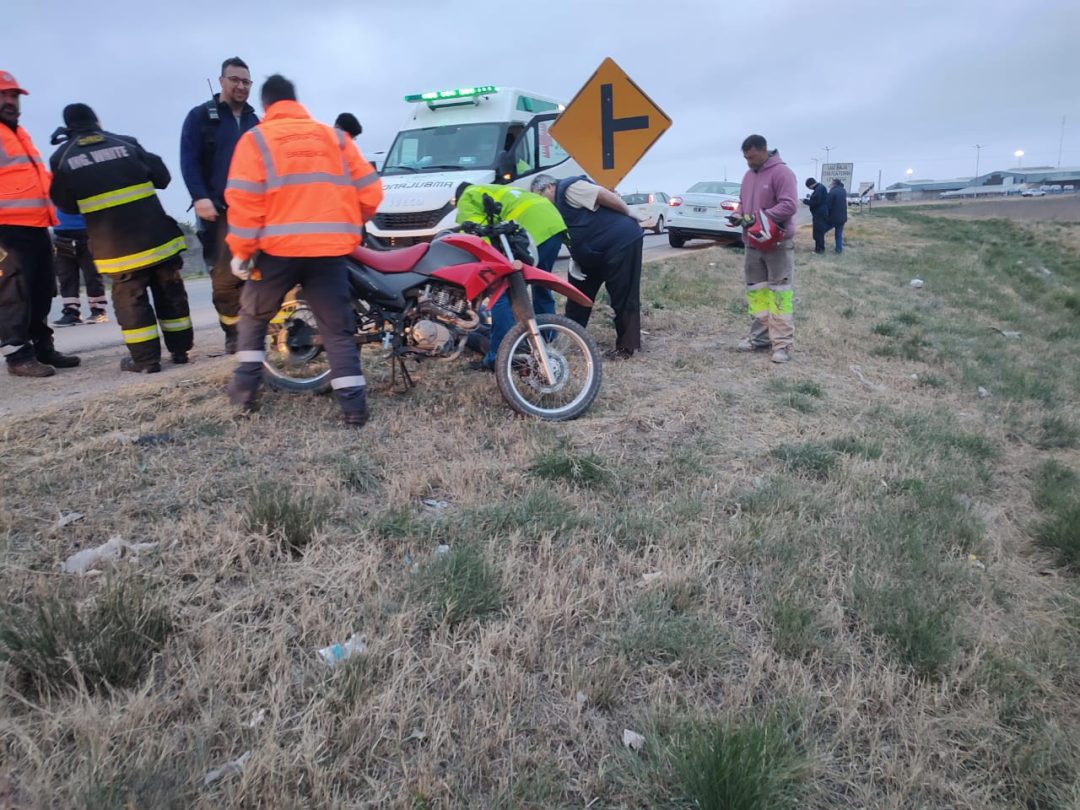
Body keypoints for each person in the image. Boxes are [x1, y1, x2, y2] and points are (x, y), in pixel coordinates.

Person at [225, 74, 384, 427]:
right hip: (328, 254)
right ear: (297, 101)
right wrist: (344, 224)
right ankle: (354, 410)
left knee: (253, 318)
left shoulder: (256, 141)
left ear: (266, 106)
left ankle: (244, 393)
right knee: (337, 330)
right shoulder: (336, 139)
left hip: (276, 253)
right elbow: (371, 194)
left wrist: (241, 251)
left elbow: (245, 203)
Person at [49, 103, 193, 373]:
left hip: (117, 249)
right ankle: (181, 351)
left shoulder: (63, 156)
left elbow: (65, 205)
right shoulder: (125, 143)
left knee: (131, 303)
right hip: (158, 240)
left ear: (68, 128)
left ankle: (146, 362)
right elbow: (162, 177)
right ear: (97, 121)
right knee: (171, 295)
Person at [0, 70, 81, 377]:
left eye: (14, 95)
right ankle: (18, 357)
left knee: (40, 289)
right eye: (4, 95)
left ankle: (42, 347)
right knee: (12, 293)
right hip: (5, 230)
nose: (10, 100)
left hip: (33, 226)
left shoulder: (17, 133)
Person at [179, 57, 259, 353]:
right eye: (235, 80)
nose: (241, 86)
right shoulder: (201, 117)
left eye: (246, 81)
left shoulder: (254, 121)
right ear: (221, 81)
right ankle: (235, 334)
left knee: (260, 273)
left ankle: (261, 328)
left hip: (254, 213)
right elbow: (189, 160)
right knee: (225, 279)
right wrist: (200, 197)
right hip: (218, 211)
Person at [453, 181, 566, 371]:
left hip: (533, 230)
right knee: (541, 284)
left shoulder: (468, 195)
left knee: (501, 293)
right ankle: (547, 338)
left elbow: (476, 237)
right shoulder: (494, 190)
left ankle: (499, 356)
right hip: (553, 225)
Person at [530, 173, 643, 359]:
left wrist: (627, 212)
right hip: (592, 252)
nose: (541, 202)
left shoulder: (569, 187)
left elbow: (602, 194)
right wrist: (575, 259)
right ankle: (570, 340)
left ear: (549, 187)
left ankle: (627, 348)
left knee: (623, 295)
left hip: (621, 242)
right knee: (577, 294)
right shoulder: (553, 209)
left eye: (540, 196)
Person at [732, 134, 798, 363]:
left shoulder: (782, 173)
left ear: (763, 150)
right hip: (752, 244)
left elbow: (789, 204)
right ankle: (759, 339)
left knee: (780, 295)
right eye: (745, 158)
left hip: (777, 244)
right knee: (757, 294)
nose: (748, 162)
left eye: (751, 157)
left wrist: (761, 218)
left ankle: (782, 345)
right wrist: (738, 215)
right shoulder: (748, 176)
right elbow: (742, 202)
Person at [51, 207, 108, 326]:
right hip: (61, 235)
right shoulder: (52, 189)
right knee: (66, 276)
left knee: (92, 275)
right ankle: (71, 311)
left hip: (86, 233)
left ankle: (98, 310)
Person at [803, 177, 828, 254]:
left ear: (811, 185)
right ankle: (818, 248)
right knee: (818, 232)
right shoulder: (820, 188)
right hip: (820, 213)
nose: (810, 189)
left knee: (818, 232)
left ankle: (820, 249)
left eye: (808, 187)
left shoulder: (819, 189)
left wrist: (805, 201)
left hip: (819, 214)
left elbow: (815, 202)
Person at [826, 178, 848, 253]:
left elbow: (828, 205)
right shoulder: (843, 191)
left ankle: (820, 247)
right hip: (842, 217)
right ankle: (838, 249)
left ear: (834, 183)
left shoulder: (833, 192)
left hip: (834, 217)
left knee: (821, 231)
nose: (830, 184)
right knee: (838, 234)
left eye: (831, 183)